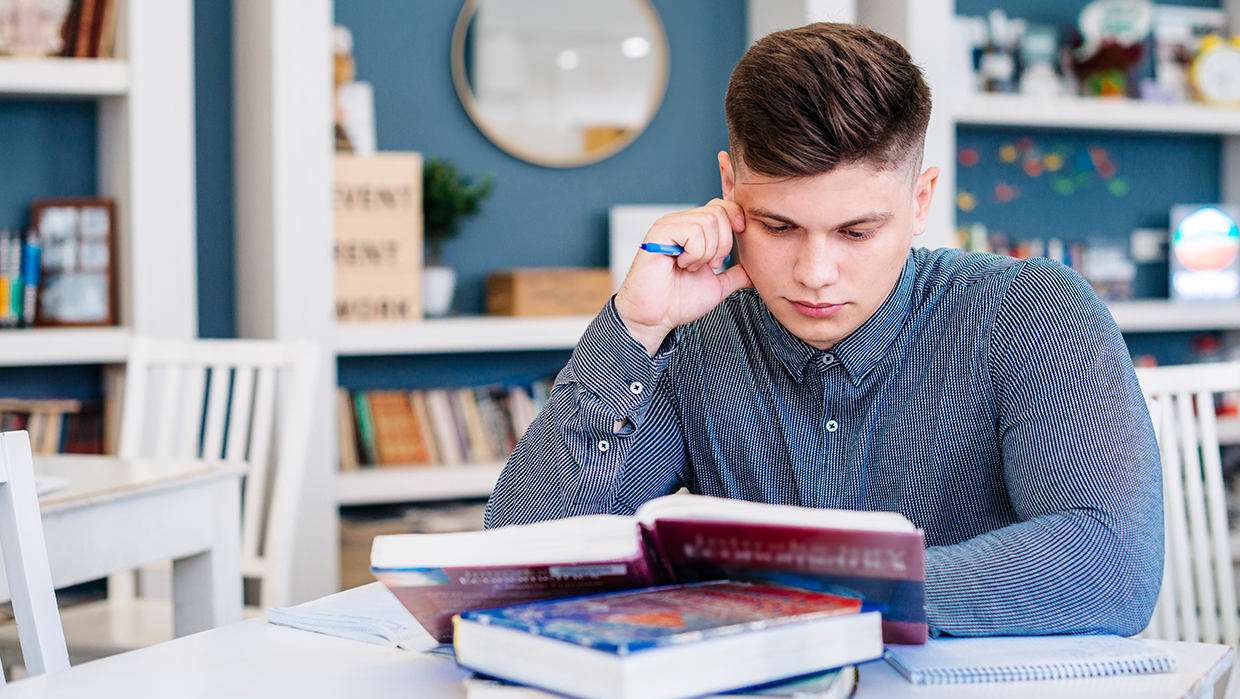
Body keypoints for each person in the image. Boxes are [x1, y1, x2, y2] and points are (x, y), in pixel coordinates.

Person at [484, 22, 1162, 638]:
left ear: (920, 201)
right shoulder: (691, 337)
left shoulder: (1032, 312)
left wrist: (811, 592)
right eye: (779, 226)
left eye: (856, 231)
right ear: (728, 184)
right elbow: (520, 565)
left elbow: (1112, 568)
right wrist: (633, 331)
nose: (814, 272)